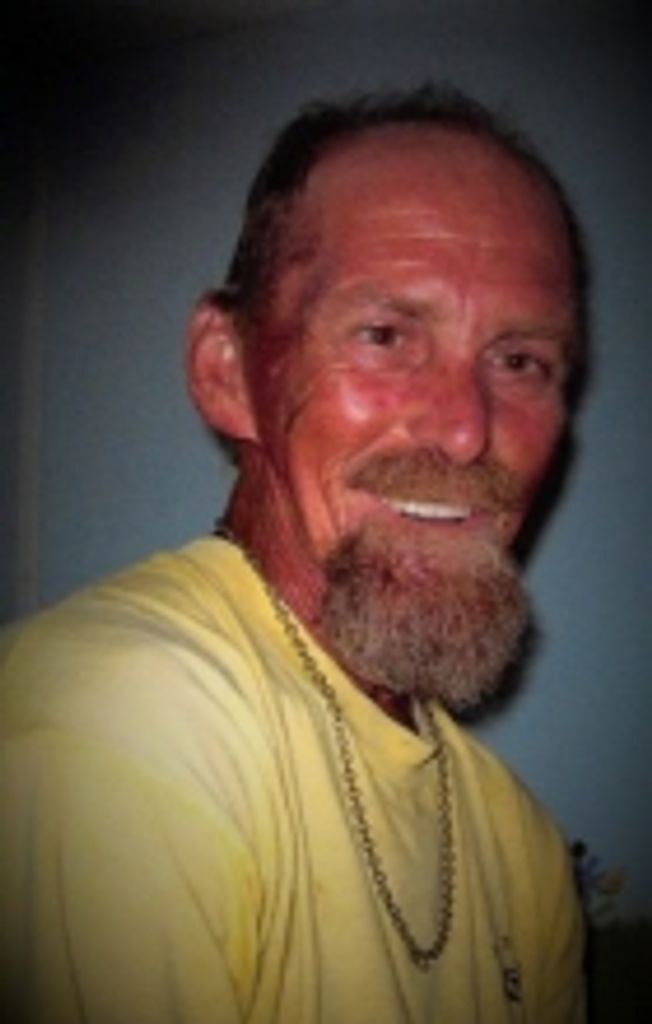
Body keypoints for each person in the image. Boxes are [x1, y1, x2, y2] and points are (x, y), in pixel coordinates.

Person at [1, 85, 587, 1022]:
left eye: (520, 361)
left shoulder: (524, 849)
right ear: (230, 372)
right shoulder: (115, 729)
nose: (467, 433)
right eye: (386, 336)